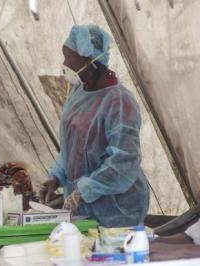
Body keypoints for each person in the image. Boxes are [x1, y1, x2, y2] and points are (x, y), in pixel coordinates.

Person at [39, 24, 149, 227]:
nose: (65, 63)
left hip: (118, 209)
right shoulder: (77, 94)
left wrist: (86, 189)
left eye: (69, 57)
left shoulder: (119, 102)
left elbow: (123, 161)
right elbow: (71, 148)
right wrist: (56, 177)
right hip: (83, 208)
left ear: (88, 60)